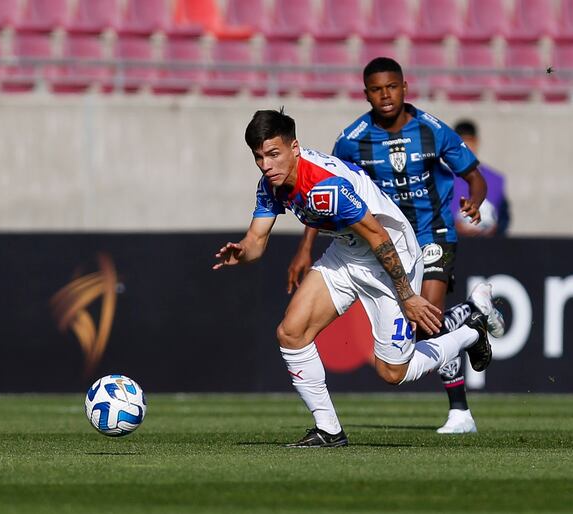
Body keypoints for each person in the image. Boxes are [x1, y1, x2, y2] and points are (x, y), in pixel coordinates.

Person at [213, 109, 501, 447]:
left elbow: (379, 236)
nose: (266, 164)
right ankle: (329, 430)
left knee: (393, 372)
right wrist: (242, 251)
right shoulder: (271, 184)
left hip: (391, 255)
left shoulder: (325, 186)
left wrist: (407, 294)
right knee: (291, 333)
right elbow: (257, 241)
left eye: (273, 154)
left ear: (295, 147)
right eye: (259, 157)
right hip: (348, 253)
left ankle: (470, 332)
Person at [287, 57, 503, 434]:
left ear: (405, 87)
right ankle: (471, 319)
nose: (385, 95)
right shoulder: (353, 139)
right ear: (366, 93)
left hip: (432, 232)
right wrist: (306, 248)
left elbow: (474, 175)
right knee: (424, 328)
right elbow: (325, 195)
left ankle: (459, 411)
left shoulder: (433, 130)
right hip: (386, 238)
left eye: (391, 87)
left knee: (428, 316)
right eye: (376, 89)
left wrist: (476, 199)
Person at [450, 119, 511, 237]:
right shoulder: (442, 179)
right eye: (463, 143)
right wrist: (455, 227)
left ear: (477, 142)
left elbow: (504, 218)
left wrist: (494, 229)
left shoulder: (496, 180)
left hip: (488, 247)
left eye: (470, 142)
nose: (467, 148)